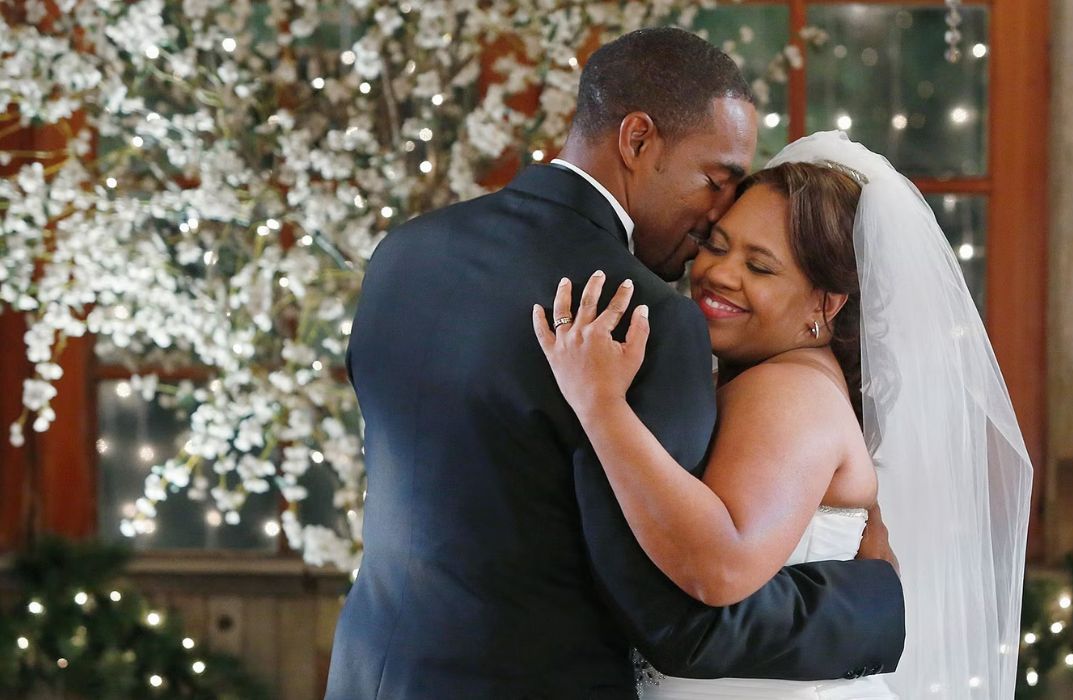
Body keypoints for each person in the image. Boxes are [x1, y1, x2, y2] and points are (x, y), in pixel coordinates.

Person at [324, 29, 905, 700]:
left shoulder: (406, 253)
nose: (712, 222)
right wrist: (875, 606)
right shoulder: (637, 315)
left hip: (372, 672)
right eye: (714, 181)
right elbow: (679, 619)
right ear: (637, 140)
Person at [533, 131, 1034, 699]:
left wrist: (599, 404)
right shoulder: (783, 379)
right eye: (717, 246)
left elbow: (720, 567)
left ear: (826, 302)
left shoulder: (790, 391)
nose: (720, 273)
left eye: (761, 267)